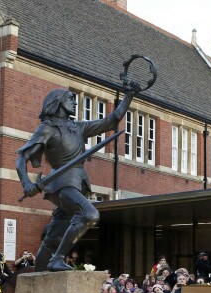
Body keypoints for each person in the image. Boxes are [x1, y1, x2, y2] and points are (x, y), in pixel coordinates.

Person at [17, 85, 138, 272]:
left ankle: (36, 275)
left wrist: (128, 96)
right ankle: (57, 258)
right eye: (70, 99)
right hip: (63, 185)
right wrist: (26, 183)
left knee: (53, 238)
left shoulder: (77, 127)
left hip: (77, 183)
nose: (74, 102)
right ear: (58, 102)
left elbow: (111, 121)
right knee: (90, 215)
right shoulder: (48, 128)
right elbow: (22, 157)